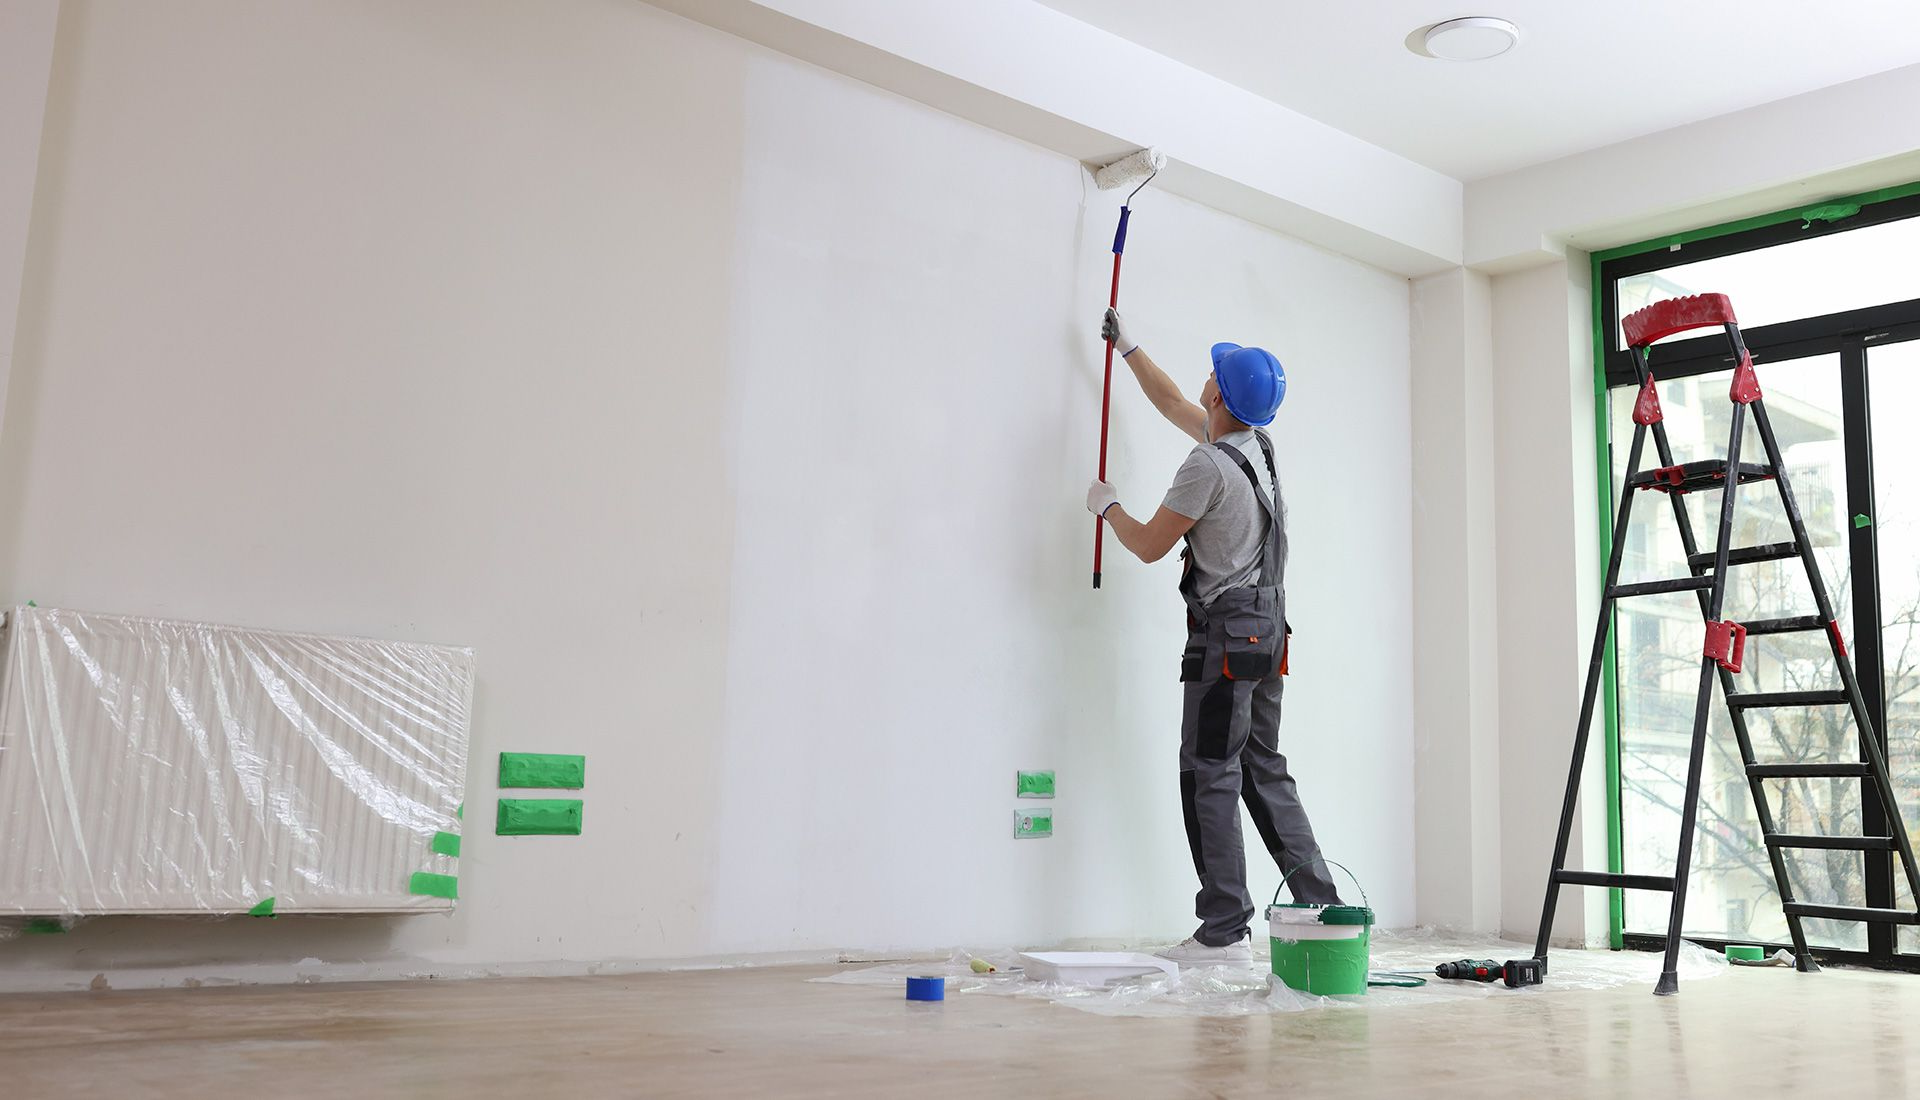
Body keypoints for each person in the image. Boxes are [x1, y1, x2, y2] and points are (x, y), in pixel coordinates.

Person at [1087, 307, 1342, 966]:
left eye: (1214, 374)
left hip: (1225, 642)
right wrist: (1129, 346)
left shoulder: (1207, 467)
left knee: (1209, 773)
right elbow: (1171, 400)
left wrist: (1107, 507)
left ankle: (1224, 929)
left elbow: (1147, 545)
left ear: (1221, 398)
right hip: (1268, 633)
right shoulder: (1255, 447)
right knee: (1264, 770)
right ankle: (1324, 911)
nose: (1203, 378)